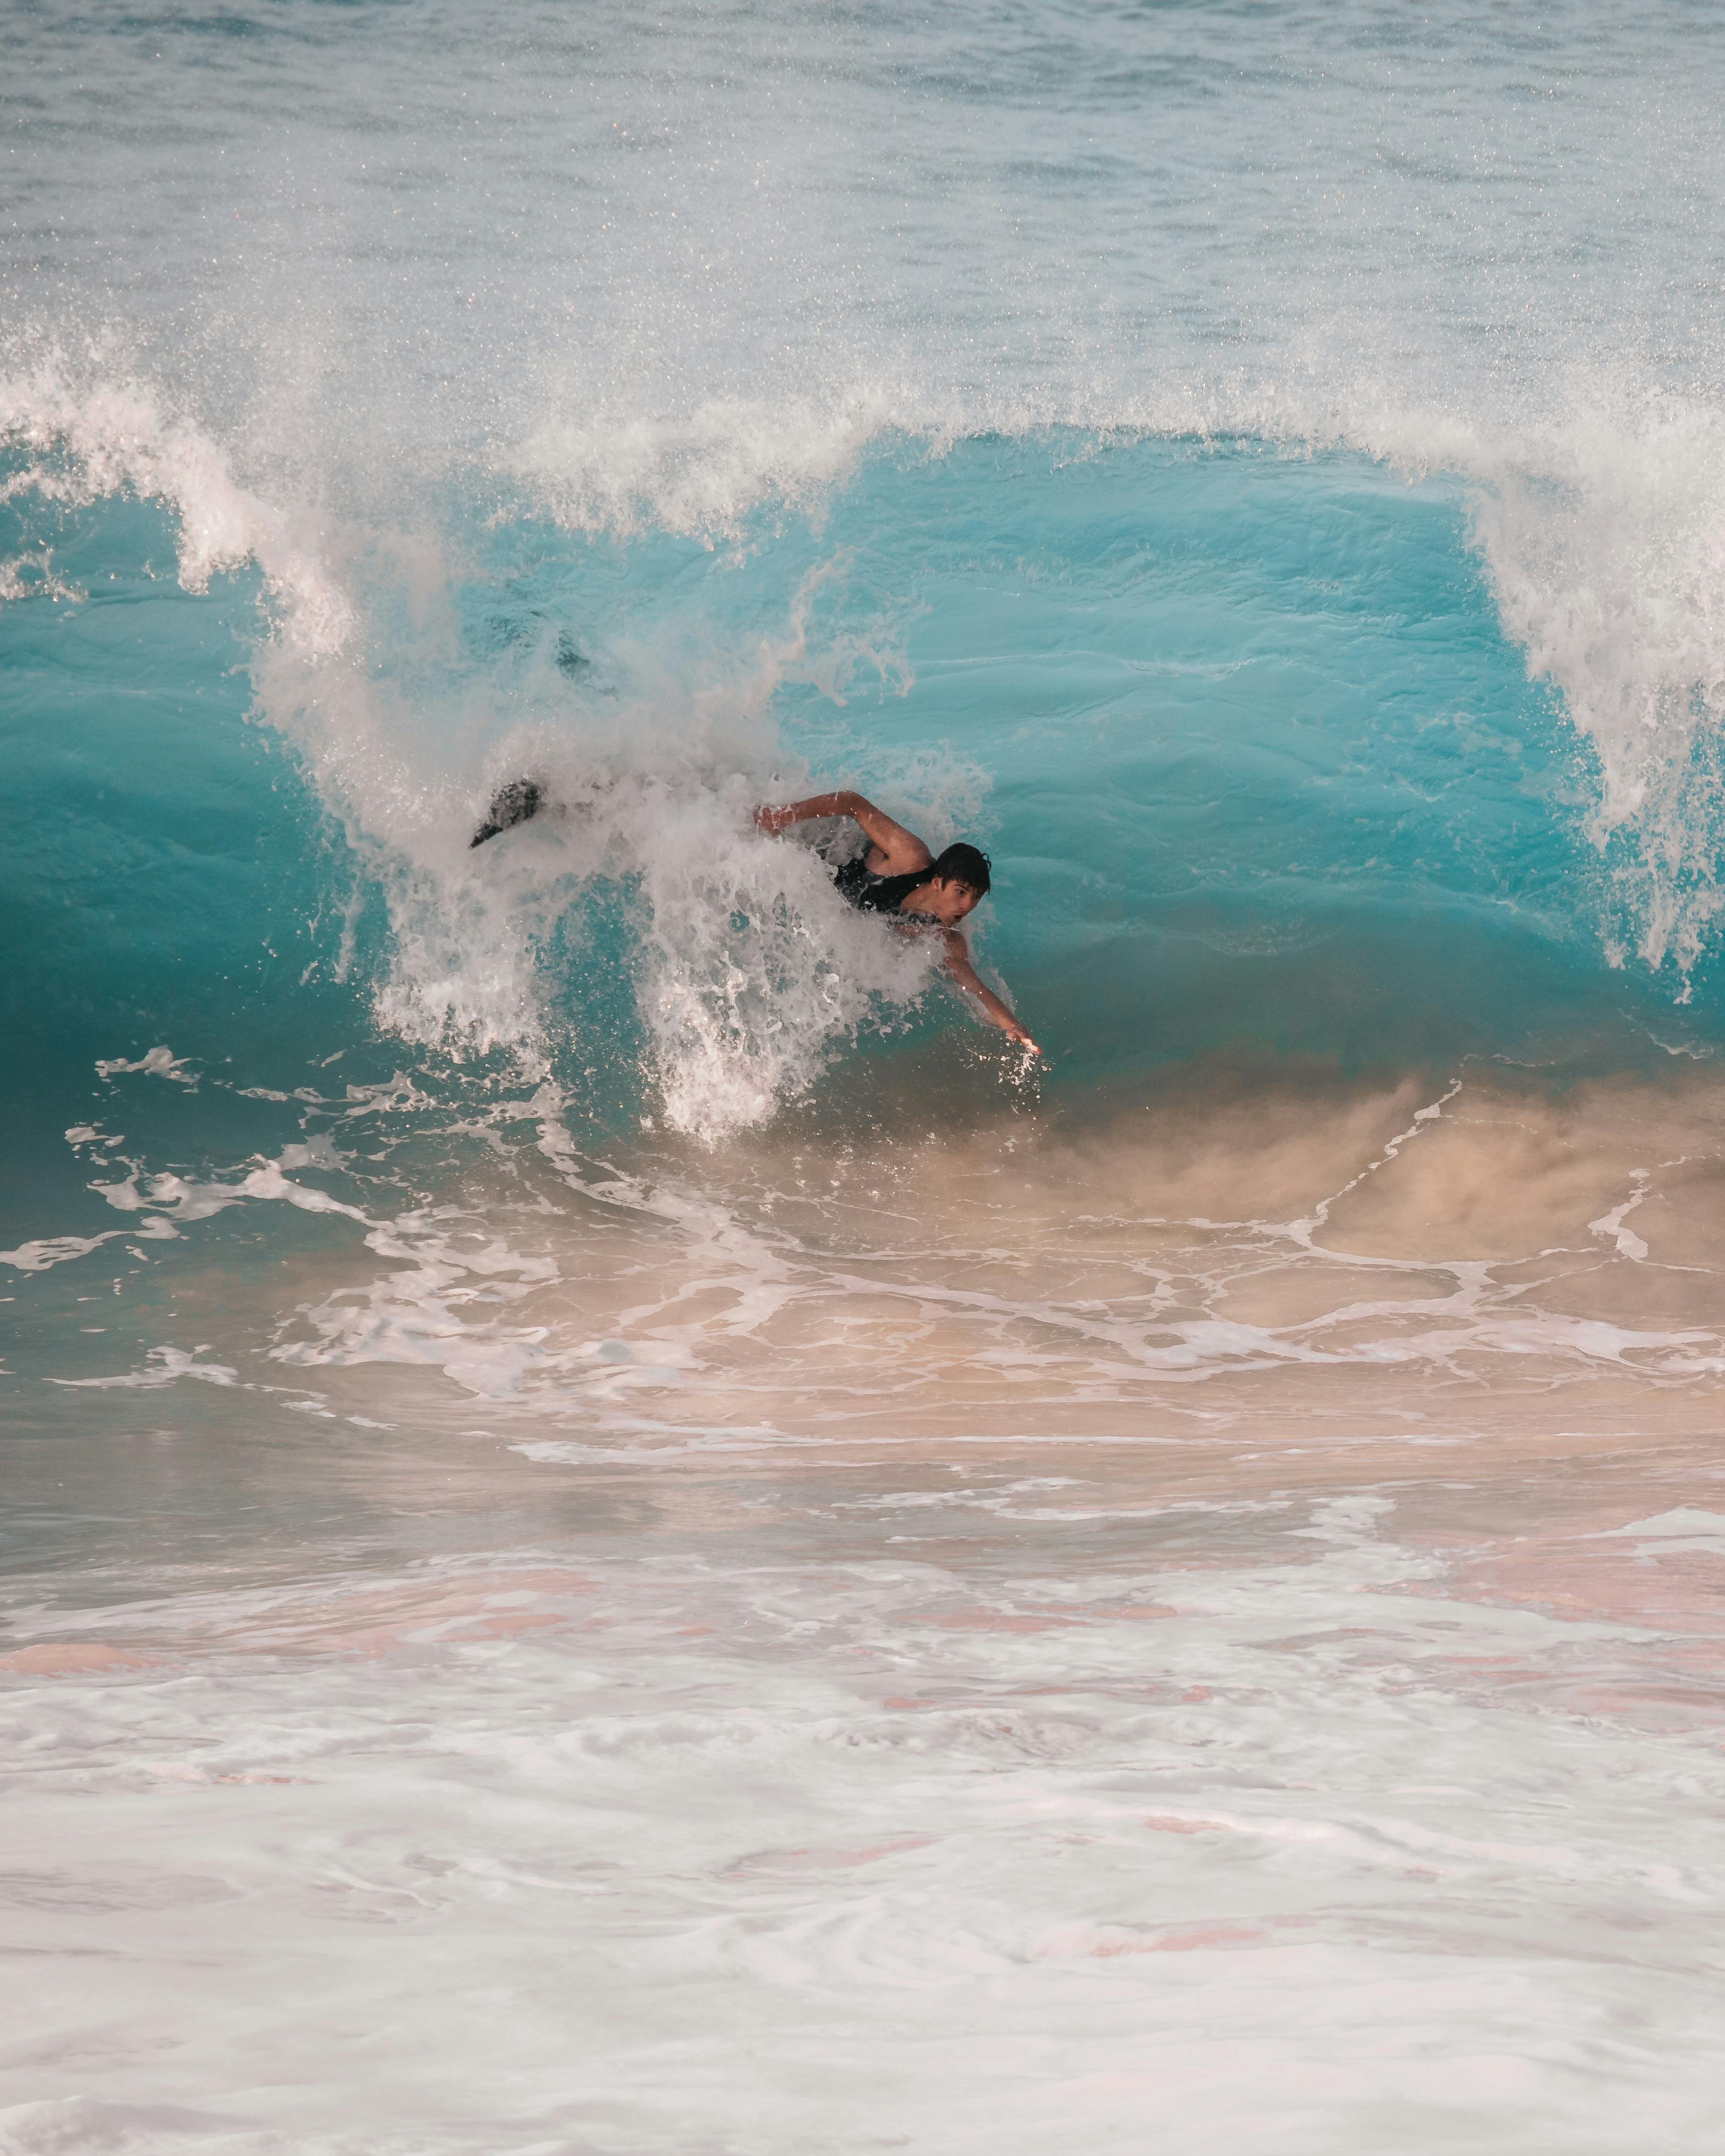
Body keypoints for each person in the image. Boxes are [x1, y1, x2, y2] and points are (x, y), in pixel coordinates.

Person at [753, 789, 1039, 1053]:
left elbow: (972, 984)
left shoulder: (944, 935)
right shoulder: (911, 857)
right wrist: (780, 817)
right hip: (817, 849)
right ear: (939, 883)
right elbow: (852, 803)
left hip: (822, 892)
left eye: (975, 898)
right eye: (961, 892)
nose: (967, 906)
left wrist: (1010, 1024)